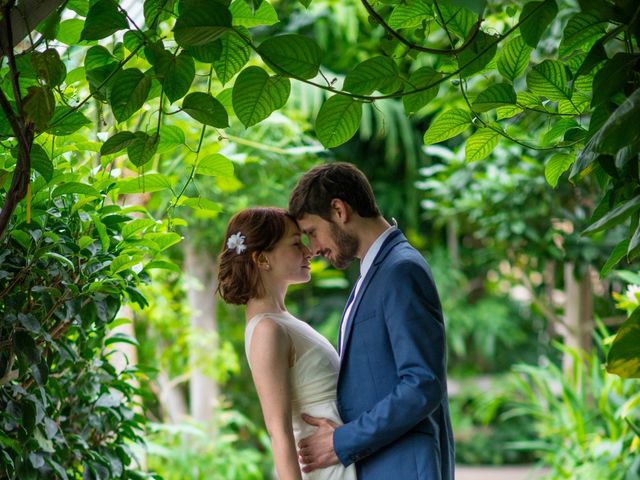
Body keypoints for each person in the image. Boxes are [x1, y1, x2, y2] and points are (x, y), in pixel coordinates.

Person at [288, 163, 454, 480]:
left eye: (312, 232)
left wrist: (342, 441)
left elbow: (422, 383)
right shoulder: (374, 272)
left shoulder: (401, 270)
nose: (315, 248)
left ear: (339, 210)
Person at [217, 207, 357, 480]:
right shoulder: (267, 330)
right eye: (296, 243)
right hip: (323, 471)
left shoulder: (281, 321)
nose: (309, 251)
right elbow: (278, 432)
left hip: (338, 460)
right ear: (262, 259)